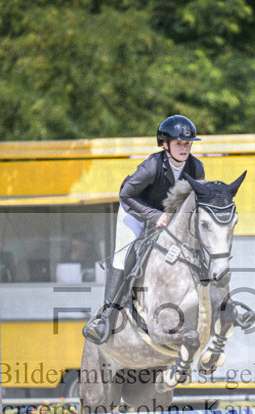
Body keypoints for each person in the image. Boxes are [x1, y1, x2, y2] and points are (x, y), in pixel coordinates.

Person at [82, 114, 207, 344]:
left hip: (169, 219)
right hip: (136, 212)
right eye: (179, 143)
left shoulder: (196, 168)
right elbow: (126, 194)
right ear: (165, 144)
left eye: (187, 144)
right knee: (123, 257)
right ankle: (106, 319)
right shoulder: (151, 166)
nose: (184, 148)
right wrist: (154, 215)